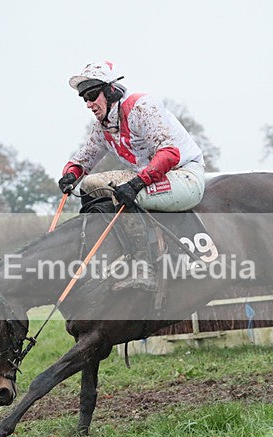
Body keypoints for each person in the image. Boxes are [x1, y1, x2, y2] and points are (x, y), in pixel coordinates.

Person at [59, 60, 206, 290]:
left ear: (111, 91)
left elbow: (169, 154)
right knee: (89, 185)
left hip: (185, 175)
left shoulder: (142, 107)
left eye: (92, 95)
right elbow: (81, 161)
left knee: (121, 194)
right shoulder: (103, 126)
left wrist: (137, 183)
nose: (88, 104)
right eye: (84, 98)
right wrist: (70, 174)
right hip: (155, 177)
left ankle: (143, 268)